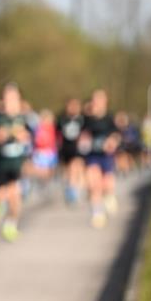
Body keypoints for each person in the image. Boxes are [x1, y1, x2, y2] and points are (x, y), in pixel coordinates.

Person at [0, 83, 31, 243]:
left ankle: (10, 225)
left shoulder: (24, 117)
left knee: (15, 196)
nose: (10, 100)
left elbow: (31, 136)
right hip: (0, 163)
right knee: (1, 193)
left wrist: (24, 136)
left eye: (13, 97)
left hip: (17, 162)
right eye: (7, 97)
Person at [79, 89, 121, 229]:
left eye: (101, 100)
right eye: (96, 99)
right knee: (93, 184)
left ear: (105, 102)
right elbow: (81, 136)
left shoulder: (109, 118)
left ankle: (109, 196)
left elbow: (116, 135)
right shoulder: (86, 119)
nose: (98, 102)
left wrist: (112, 142)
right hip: (92, 155)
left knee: (107, 185)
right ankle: (97, 213)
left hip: (106, 155)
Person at [56, 98, 85, 205]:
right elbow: (56, 132)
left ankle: (75, 189)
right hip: (66, 149)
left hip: (79, 149)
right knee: (69, 170)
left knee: (76, 166)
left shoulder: (82, 119)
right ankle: (71, 187)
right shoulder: (62, 119)